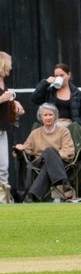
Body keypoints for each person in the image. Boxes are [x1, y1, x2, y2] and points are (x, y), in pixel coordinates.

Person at [15, 103, 77, 201]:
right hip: (40, 162)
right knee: (48, 153)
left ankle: (32, 195)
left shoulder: (64, 131)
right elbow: (27, 148)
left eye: (50, 115)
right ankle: (64, 182)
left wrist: (53, 157)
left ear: (55, 116)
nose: (48, 118)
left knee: (49, 154)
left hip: (61, 163)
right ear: (41, 117)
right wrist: (21, 147)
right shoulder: (35, 133)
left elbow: (69, 151)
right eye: (45, 115)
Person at [31, 62, 81, 144]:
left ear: (68, 75)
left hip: (70, 125)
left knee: (73, 129)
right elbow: (34, 99)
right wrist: (45, 82)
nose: (59, 78)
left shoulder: (76, 93)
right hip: (52, 124)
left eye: (62, 75)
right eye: (56, 76)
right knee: (36, 127)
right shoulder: (50, 91)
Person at [0, 51, 26, 203]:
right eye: (9, 64)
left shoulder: (3, 82)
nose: (11, 67)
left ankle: (3, 199)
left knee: (3, 166)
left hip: (2, 128)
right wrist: (2, 98)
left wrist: (14, 103)